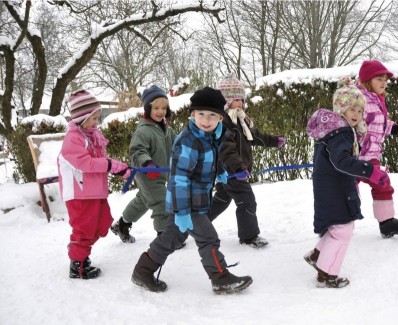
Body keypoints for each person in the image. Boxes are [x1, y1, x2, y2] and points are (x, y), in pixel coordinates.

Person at [131, 86, 253, 294]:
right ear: (193, 114)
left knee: (173, 238)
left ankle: (142, 271)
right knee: (208, 238)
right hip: (187, 202)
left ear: (221, 118)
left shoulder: (211, 136)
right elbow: (179, 179)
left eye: (212, 115)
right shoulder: (189, 141)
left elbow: (213, 159)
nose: (206, 120)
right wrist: (183, 211)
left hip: (197, 198)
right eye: (201, 114)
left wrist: (221, 172)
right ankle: (220, 277)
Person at [303, 78, 391, 288]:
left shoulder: (335, 129)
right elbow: (341, 161)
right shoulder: (341, 132)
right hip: (335, 187)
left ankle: (317, 255)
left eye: (360, 110)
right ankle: (326, 273)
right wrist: (370, 171)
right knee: (343, 229)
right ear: (340, 109)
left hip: (329, 185)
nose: (356, 114)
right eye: (351, 108)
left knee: (337, 227)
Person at [58, 89, 131, 279]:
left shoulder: (90, 136)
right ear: (81, 118)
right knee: (84, 229)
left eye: (98, 117)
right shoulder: (73, 138)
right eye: (94, 118)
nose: (97, 122)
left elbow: (100, 163)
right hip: (80, 194)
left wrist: (121, 169)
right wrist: (109, 165)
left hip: (95, 192)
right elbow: (84, 163)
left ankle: (81, 252)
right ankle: (78, 266)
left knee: (103, 224)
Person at [207, 73, 285, 248]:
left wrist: (274, 141)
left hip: (234, 172)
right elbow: (226, 149)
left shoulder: (241, 120)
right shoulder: (224, 123)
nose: (240, 103)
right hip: (232, 171)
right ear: (226, 102)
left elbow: (255, 136)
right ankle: (249, 236)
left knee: (221, 199)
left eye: (241, 99)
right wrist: (237, 168)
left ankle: (199, 222)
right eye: (236, 100)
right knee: (247, 200)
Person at [110, 85, 187, 248]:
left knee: (143, 201)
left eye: (164, 108)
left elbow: (177, 143)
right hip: (147, 174)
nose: (161, 111)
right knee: (161, 204)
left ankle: (121, 225)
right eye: (156, 107)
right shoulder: (144, 130)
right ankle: (165, 238)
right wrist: (147, 163)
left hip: (160, 174)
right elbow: (137, 150)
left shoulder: (165, 127)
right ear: (147, 108)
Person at [356, 60, 398, 238]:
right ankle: (331, 225)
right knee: (344, 192)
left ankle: (387, 223)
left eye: (385, 79)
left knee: (382, 183)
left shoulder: (377, 100)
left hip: (370, 156)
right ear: (367, 80)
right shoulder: (359, 99)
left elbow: (379, 124)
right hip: (353, 156)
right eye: (379, 78)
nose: (383, 82)